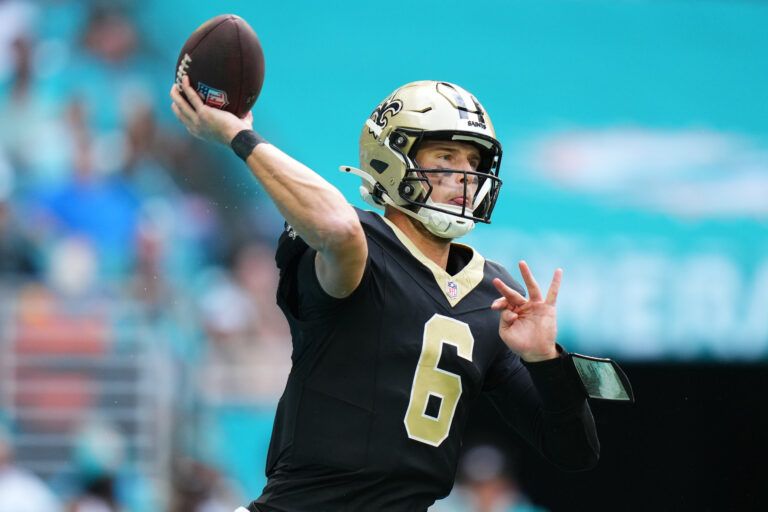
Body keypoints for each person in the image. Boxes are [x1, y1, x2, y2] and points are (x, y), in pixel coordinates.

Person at [170, 76, 600, 512]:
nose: (465, 177)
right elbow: (338, 229)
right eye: (446, 157)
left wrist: (546, 361)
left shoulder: (491, 294)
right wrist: (236, 134)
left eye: (473, 162)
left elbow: (575, 452)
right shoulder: (360, 247)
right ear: (391, 159)